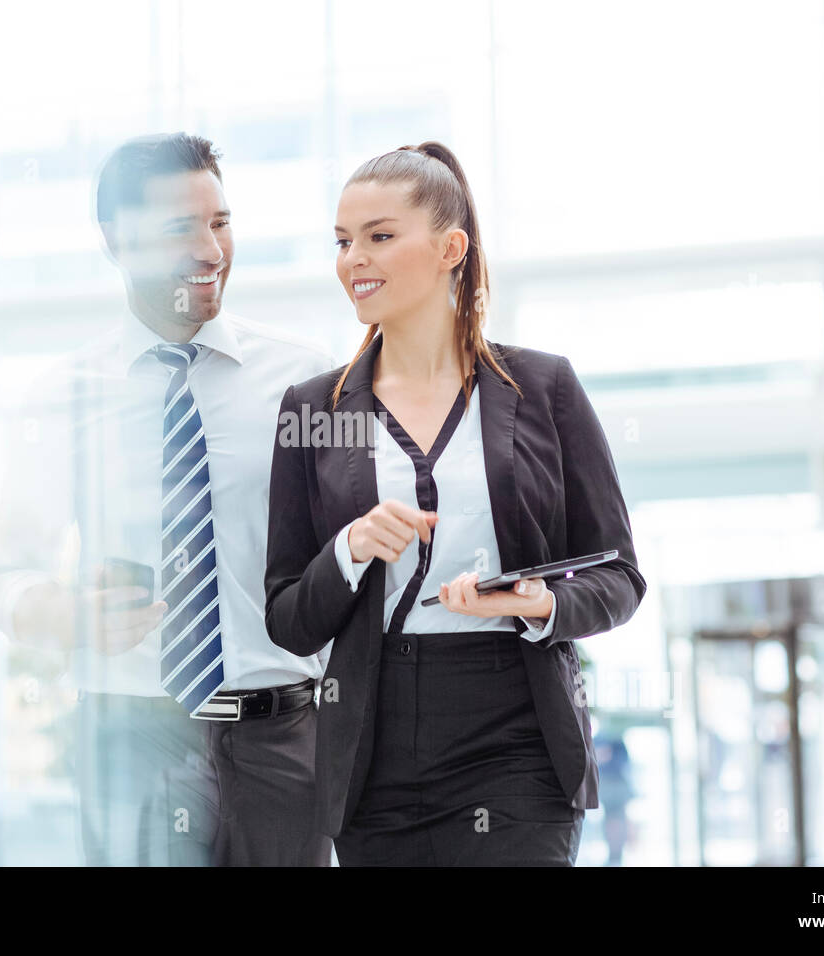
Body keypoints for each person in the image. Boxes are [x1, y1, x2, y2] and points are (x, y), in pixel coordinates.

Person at [264, 141, 646, 866]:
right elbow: (287, 617)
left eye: (380, 237)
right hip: (372, 749)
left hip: (516, 737)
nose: (355, 260)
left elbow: (620, 577)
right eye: (343, 242)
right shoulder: (314, 408)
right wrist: (349, 549)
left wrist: (537, 601)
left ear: (451, 248)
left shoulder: (543, 388)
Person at [0, 132, 335, 866]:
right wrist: (63, 614)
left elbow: (353, 564)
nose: (211, 250)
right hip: (131, 734)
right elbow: (4, 576)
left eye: (221, 222)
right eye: (181, 227)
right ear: (116, 240)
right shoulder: (65, 399)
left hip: (283, 735)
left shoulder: (306, 384)